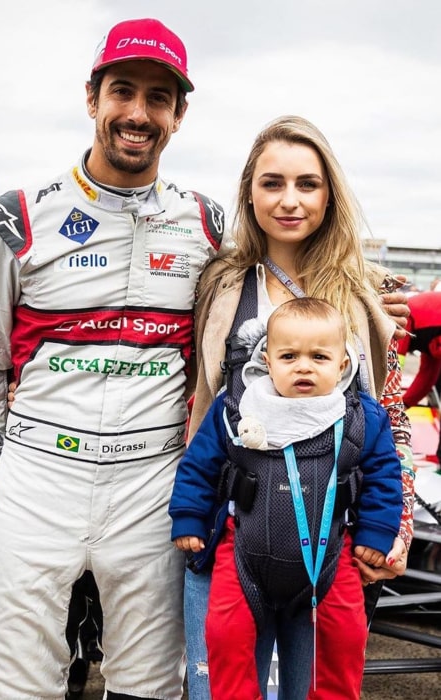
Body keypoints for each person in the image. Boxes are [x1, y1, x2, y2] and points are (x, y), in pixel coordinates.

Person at [0, 18, 224, 700]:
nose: (138, 114)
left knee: (151, 684)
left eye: (158, 98)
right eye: (123, 91)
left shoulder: (209, 223)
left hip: (152, 481)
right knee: (12, 682)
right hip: (37, 476)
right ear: (92, 98)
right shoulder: (12, 218)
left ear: (179, 113)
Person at [179, 115, 414, 700]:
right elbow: (193, 395)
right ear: (249, 191)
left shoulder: (369, 290)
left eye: (307, 183)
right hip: (230, 537)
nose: (289, 200)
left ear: (329, 192)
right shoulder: (219, 282)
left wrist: (396, 524)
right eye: (272, 182)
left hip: (328, 543)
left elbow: (391, 412)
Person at [170, 297, 403, 699]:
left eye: (319, 357)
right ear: (267, 359)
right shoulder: (237, 407)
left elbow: (385, 475)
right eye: (289, 356)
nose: (304, 366)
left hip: (332, 559)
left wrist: (377, 533)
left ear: (343, 364)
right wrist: (189, 516)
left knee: (345, 640)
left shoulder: (361, 416)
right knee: (225, 636)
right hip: (243, 553)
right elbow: (199, 464)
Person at [397, 290, 441, 464]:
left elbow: (395, 363)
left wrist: (391, 406)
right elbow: (427, 376)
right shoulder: (430, 340)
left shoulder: (404, 318)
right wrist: (404, 404)